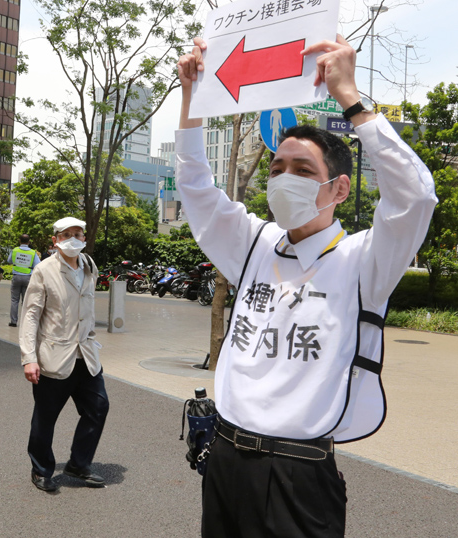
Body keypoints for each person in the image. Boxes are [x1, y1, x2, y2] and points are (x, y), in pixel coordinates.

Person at [176, 36, 437, 537]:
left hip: (298, 475)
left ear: (338, 189)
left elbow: (415, 198)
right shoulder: (254, 242)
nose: (283, 179)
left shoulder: (364, 260)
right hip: (224, 458)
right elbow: (195, 187)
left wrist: (350, 97)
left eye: (302, 170)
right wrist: (193, 98)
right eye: (277, 169)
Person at [19, 217, 109, 492]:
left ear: (84, 238)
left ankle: (78, 464)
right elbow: (31, 315)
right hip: (54, 356)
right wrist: (29, 357)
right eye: (66, 234)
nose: (72, 238)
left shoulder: (89, 265)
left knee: (98, 408)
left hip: (86, 354)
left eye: (77, 234)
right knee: (46, 417)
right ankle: (41, 469)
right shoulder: (44, 270)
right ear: (55, 239)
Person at [7, 234, 40, 327]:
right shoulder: (33, 253)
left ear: (19, 241)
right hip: (28, 278)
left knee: (14, 300)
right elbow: (38, 265)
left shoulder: (15, 250)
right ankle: (25, 322)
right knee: (26, 301)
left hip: (16, 276)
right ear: (29, 242)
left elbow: (9, 260)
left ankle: (13, 321)